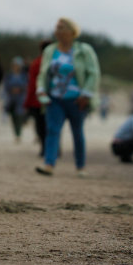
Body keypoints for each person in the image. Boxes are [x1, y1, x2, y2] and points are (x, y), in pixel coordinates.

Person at [35, 17, 100, 177]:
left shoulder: (84, 50)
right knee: (52, 130)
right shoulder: (50, 50)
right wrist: (41, 90)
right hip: (54, 98)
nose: (57, 30)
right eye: (57, 27)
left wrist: (86, 94)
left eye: (61, 27)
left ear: (72, 31)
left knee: (77, 132)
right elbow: (43, 73)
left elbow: (93, 73)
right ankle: (49, 164)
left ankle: (80, 167)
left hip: (77, 99)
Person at [24, 40, 52, 157]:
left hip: (37, 100)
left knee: (40, 126)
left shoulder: (36, 64)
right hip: (53, 99)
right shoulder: (55, 62)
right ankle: (54, 148)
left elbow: (32, 84)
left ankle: (44, 148)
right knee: (52, 125)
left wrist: (28, 101)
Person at [3, 57, 28, 142]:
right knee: (13, 117)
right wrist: (12, 89)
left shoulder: (24, 75)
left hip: (21, 98)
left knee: (19, 116)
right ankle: (16, 133)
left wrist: (20, 89)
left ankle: (19, 133)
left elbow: (27, 85)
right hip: (11, 99)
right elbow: (5, 86)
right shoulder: (9, 75)